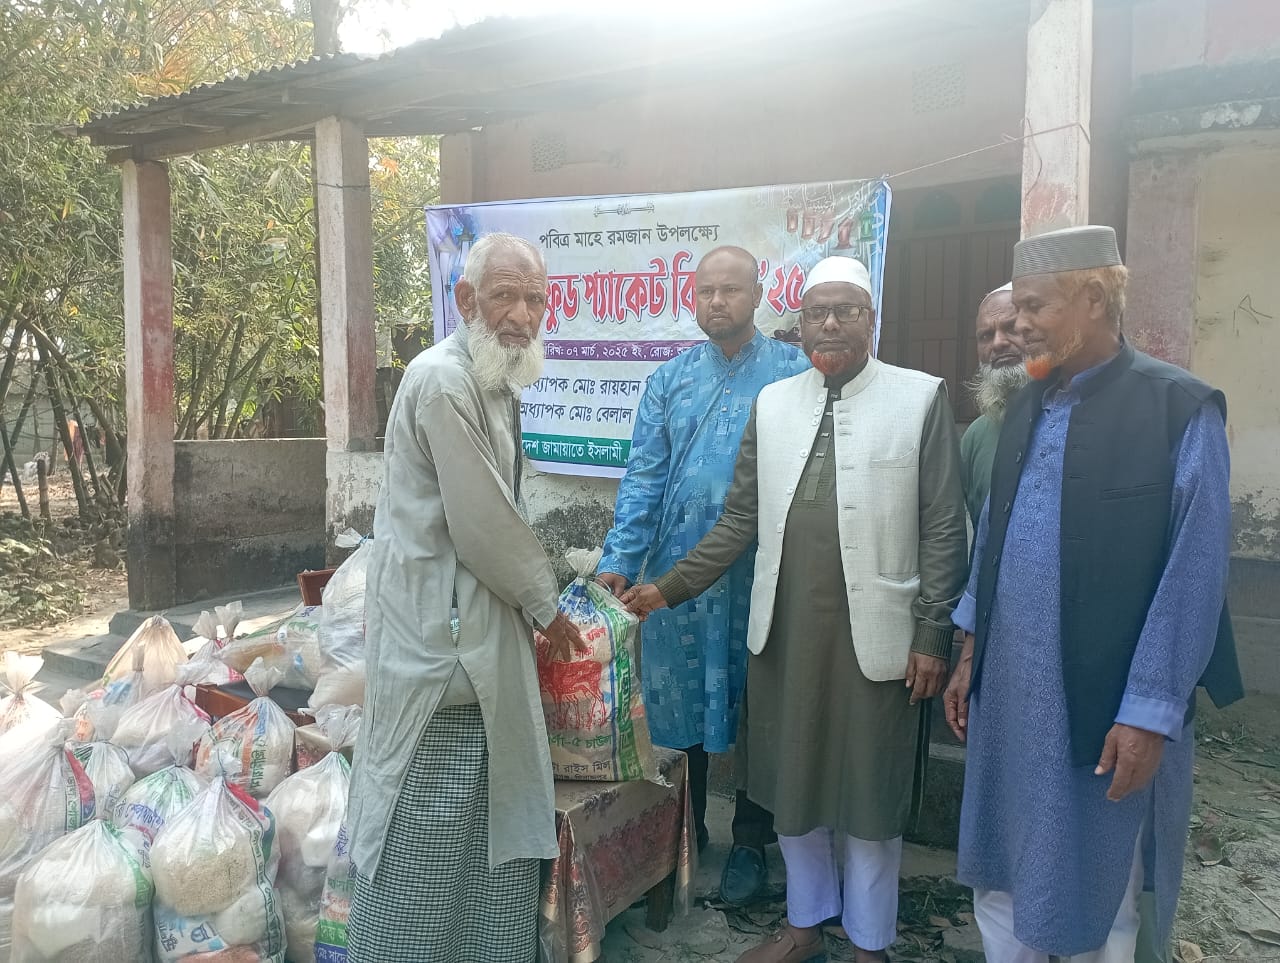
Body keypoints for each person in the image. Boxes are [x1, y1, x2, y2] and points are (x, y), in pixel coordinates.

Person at [624, 255, 969, 963]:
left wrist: (934, 631)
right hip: (785, 633)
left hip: (879, 634)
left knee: (871, 793)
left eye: (847, 310)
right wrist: (664, 588)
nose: (831, 323)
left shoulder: (920, 398)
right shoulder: (775, 402)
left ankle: (869, 941)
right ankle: (806, 924)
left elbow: (943, 526)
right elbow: (737, 522)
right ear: (801, 322)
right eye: (817, 312)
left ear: (872, 319)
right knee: (791, 782)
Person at [943, 225, 1243, 963]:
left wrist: (1149, 711)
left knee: (1102, 889)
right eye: (1014, 310)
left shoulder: (1177, 409)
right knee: (1003, 874)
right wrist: (969, 648)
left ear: (1096, 299)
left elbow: (1194, 576)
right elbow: (995, 541)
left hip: (1107, 707)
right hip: (1010, 697)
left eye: (1034, 307)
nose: (1017, 327)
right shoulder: (1024, 405)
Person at [345, 232, 585, 962]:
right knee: (425, 833)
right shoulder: (444, 379)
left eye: (535, 299)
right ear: (465, 299)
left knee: (488, 829)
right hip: (440, 647)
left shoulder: (491, 377)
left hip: (473, 636)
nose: (522, 315)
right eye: (505, 296)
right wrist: (548, 607)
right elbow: (483, 523)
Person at [595, 245, 809, 904]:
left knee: (756, 705)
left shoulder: (794, 372)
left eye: (731, 289)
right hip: (674, 577)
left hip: (762, 573)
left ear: (758, 294)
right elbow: (643, 479)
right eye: (706, 290)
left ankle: (751, 841)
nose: (717, 301)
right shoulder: (668, 380)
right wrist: (618, 561)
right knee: (676, 707)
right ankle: (684, 834)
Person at [959, 282, 1030, 527]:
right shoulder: (976, 435)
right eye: (986, 336)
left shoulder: (1075, 418)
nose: (998, 343)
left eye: (1012, 328)